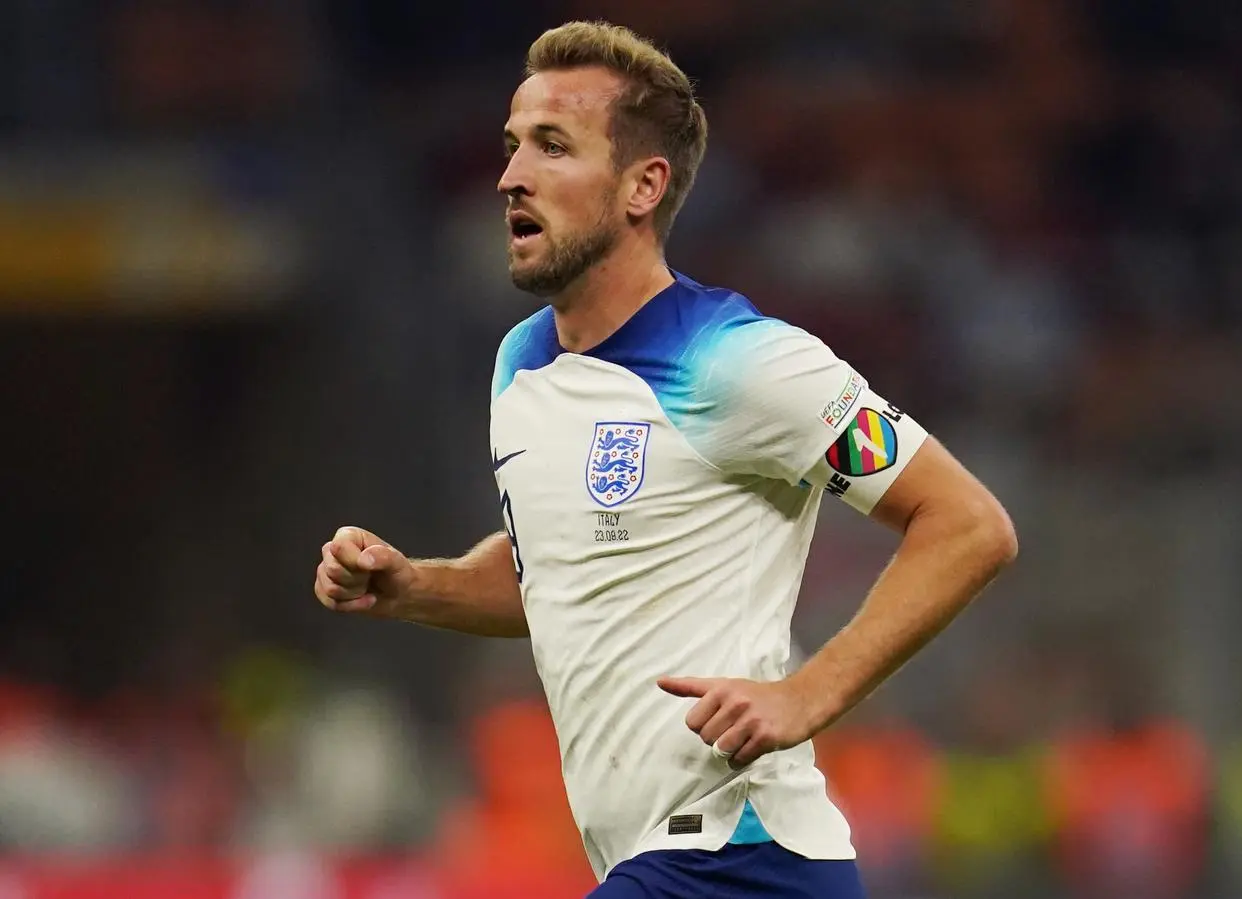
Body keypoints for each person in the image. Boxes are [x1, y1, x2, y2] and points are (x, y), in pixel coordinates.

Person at [313, 20, 1018, 899]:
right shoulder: (521, 365)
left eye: (552, 147)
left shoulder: (743, 360)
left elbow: (967, 523)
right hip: (659, 862)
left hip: (737, 855)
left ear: (642, 186)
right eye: (510, 146)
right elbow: (563, 571)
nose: (510, 177)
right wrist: (416, 585)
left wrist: (808, 693)